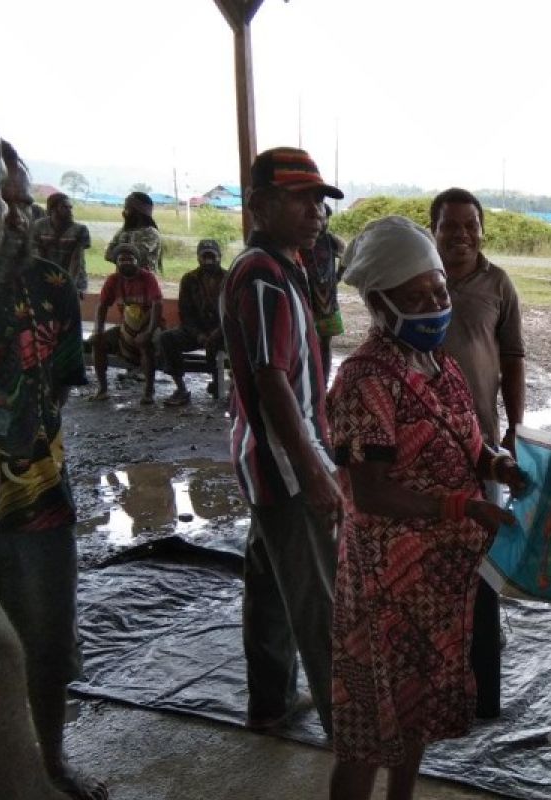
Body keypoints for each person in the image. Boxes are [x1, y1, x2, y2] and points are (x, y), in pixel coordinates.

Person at [326, 215, 527, 800]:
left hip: (437, 586)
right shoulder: (366, 380)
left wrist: (498, 465)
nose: (434, 305)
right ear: (380, 304)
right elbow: (371, 492)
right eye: (415, 297)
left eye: (438, 290)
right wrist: (464, 507)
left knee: (411, 716)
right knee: (368, 729)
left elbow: (471, 443)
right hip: (385, 587)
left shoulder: (441, 368)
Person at [0, 129, 105, 798]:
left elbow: (57, 382)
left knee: (47, 637)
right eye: (1, 199)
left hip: (38, 495)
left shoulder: (52, 283)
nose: (13, 214)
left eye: (19, 199)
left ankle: (51, 763)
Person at [220, 146, 344, 737]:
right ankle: (347, 729)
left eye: (319, 199)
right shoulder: (264, 276)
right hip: (286, 468)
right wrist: (314, 469)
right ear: (261, 205)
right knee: (317, 598)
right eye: (301, 198)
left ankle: (269, 703)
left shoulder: (284, 267)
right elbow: (271, 380)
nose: (316, 210)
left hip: (266, 463)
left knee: (268, 586)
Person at [430, 186, 526, 719]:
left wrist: (514, 428)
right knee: (434, 558)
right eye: (451, 226)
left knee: (482, 561)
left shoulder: (497, 283)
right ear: (434, 230)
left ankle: (480, 686)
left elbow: (512, 357)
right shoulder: (418, 282)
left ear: (482, 230)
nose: (461, 235)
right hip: (423, 448)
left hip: (483, 444)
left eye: (471, 225)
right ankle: (436, 678)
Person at [90, 242, 162, 404]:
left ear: (137, 261)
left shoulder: (147, 278)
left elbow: (158, 305)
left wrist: (149, 332)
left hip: (150, 325)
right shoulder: (113, 280)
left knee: (147, 342)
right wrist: (97, 330)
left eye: (130, 259)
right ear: (116, 263)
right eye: (122, 259)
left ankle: (148, 391)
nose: (126, 262)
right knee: (97, 342)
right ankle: (102, 389)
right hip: (127, 328)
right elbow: (102, 305)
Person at [157, 238, 226, 405]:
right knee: (167, 338)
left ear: (219, 257)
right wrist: (199, 335)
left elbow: (234, 313)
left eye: (212, 256)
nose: (208, 260)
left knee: (240, 342)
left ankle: (225, 386)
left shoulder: (229, 278)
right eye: (205, 256)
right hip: (196, 331)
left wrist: (217, 333)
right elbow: (185, 313)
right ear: (198, 258)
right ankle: (181, 389)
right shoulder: (189, 279)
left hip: (223, 331)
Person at [299, 204, 346, 384]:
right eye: (319, 217)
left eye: (325, 217)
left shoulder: (332, 241)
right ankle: (309, 381)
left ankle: (323, 383)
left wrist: (338, 276)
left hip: (328, 303)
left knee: (325, 345)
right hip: (306, 301)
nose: (322, 221)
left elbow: (347, 256)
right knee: (307, 345)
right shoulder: (301, 242)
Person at [31, 192, 91, 295]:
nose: (70, 210)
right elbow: (39, 257)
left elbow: (76, 260)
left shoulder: (80, 230)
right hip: (47, 277)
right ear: (53, 209)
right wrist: (43, 280)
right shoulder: (39, 227)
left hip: (74, 279)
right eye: (65, 207)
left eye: (70, 207)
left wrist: (69, 286)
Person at [104, 190, 163, 274]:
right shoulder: (123, 231)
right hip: (122, 280)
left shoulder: (151, 233)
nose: (124, 212)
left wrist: (119, 252)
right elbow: (108, 254)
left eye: (128, 208)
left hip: (144, 282)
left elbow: (136, 257)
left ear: (138, 211)